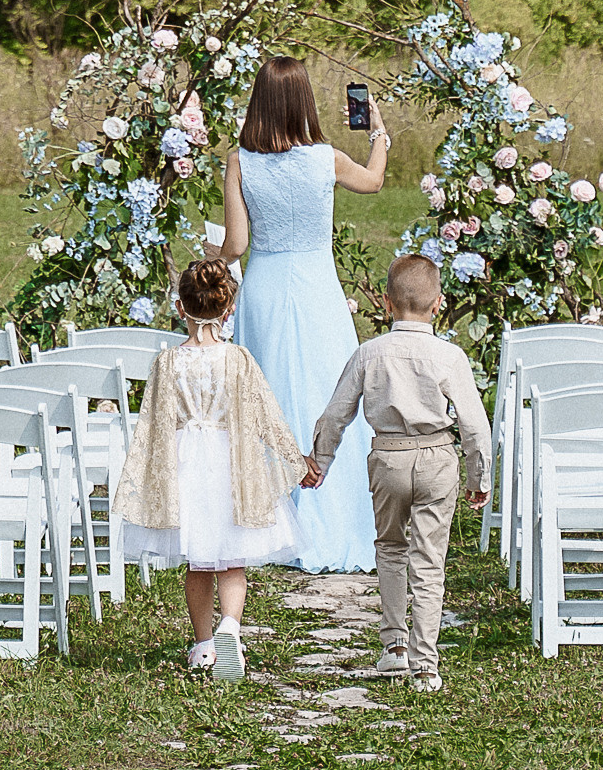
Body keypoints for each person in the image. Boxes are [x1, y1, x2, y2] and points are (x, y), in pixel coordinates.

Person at [208, 55, 389, 571]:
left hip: (265, 284)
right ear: (305, 101)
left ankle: (270, 522)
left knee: (267, 393)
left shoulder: (240, 160)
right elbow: (374, 182)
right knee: (329, 393)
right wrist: (379, 134)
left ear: (258, 103)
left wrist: (212, 258)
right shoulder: (327, 158)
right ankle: (333, 512)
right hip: (317, 287)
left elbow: (237, 243)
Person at [303, 254, 491, 694]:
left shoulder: (369, 353)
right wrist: (477, 478)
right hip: (437, 459)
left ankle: (394, 647)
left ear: (387, 303)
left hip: (388, 457)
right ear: (438, 304)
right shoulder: (449, 356)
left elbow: (336, 415)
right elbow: (475, 425)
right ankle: (427, 664)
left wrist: (321, 461)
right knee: (429, 561)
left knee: (389, 549)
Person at [115, 258, 307, 683]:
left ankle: (204, 645)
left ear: (179, 309)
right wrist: (296, 461)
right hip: (230, 465)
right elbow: (265, 415)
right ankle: (231, 631)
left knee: (197, 563)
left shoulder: (167, 362)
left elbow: (153, 423)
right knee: (231, 560)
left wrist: (142, 478)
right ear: (229, 310)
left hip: (185, 465)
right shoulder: (238, 359)